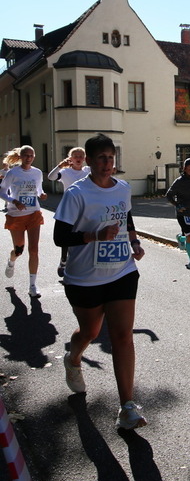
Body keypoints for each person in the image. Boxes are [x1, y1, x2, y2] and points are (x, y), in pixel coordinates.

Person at [53, 133, 146, 430]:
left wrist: (134, 242)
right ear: (90, 162)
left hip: (122, 271)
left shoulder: (123, 188)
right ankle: (73, 357)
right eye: (101, 158)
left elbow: (126, 218)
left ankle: (127, 407)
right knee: (90, 332)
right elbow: (59, 237)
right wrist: (95, 235)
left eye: (111, 158)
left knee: (122, 336)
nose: (107, 163)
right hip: (84, 278)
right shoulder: (77, 193)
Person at [0, 146, 47, 298]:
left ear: (34, 156)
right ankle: (11, 260)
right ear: (20, 157)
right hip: (16, 215)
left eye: (31, 155)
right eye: (26, 155)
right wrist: (14, 201)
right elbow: (2, 192)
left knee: (34, 250)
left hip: (33, 213)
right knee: (19, 250)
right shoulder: (13, 173)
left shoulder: (37, 172)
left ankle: (33, 286)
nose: (28, 158)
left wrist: (42, 195)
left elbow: (38, 190)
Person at [48, 147, 91, 276]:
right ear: (70, 158)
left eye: (81, 156)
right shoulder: (66, 172)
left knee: (83, 234)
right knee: (67, 234)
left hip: (85, 207)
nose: (78, 159)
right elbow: (51, 177)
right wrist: (60, 166)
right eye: (75, 156)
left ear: (84, 158)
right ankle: (64, 260)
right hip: (69, 207)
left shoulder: (88, 171)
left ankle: (82, 262)